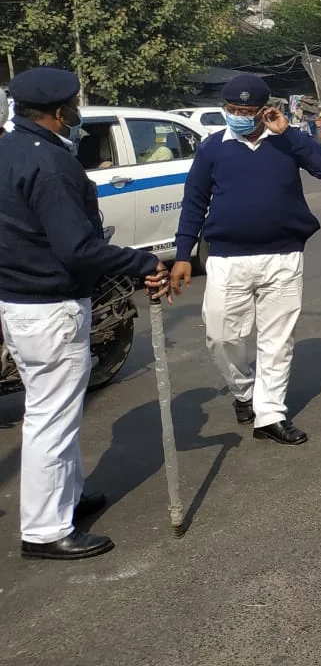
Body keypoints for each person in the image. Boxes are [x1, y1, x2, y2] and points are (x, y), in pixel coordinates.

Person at [0, 68, 172, 560]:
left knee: (56, 413)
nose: (77, 115)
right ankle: (45, 530)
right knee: (51, 419)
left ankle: (67, 498)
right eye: (73, 107)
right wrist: (142, 263)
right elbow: (77, 247)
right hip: (49, 306)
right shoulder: (50, 164)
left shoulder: (10, 149)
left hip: (22, 300)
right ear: (60, 112)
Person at [172, 75, 321, 446]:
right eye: (232, 109)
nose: (238, 116)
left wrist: (288, 132)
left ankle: (270, 414)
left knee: (277, 341)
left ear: (264, 111)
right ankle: (244, 390)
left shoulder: (286, 142)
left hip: (283, 256)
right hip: (227, 259)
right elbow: (194, 202)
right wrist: (183, 254)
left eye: (246, 111)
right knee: (220, 336)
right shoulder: (212, 148)